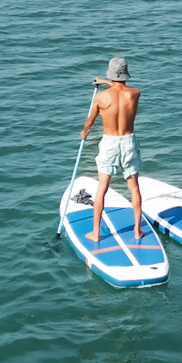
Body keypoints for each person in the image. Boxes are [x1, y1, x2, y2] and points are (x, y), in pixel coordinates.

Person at [81, 56, 144, 242]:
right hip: (129, 141)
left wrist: (84, 132)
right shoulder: (135, 93)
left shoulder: (101, 97)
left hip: (109, 142)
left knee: (102, 189)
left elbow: (90, 121)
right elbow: (120, 90)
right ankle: (137, 230)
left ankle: (96, 232)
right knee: (134, 188)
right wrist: (108, 82)